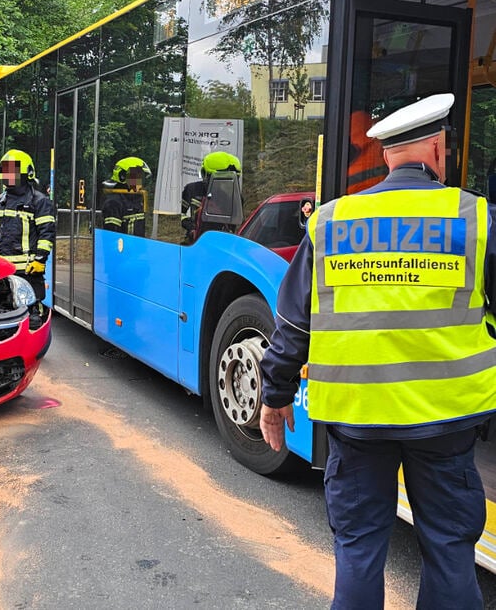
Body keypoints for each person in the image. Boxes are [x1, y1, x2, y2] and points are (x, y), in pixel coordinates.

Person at [259, 93, 496, 609]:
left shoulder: (329, 222)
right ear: (438, 148)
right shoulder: (477, 219)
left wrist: (274, 396)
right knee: (450, 553)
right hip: (446, 421)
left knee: (359, 550)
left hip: (356, 419)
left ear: (387, 155)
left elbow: (294, 325)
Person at [0, 150, 56, 326]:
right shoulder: (0, 201)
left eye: (13, 172)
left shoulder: (39, 201)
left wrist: (40, 260)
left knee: (31, 318)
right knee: (4, 313)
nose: (8, 176)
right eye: (5, 171)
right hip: (4, 269)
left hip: (29, 270)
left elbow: (47, 234)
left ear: (27, 174)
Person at [181, 151, 241, 242]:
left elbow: (236, 224)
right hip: (195, 241)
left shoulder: (233, 198)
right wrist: (191, 227)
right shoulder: (192, 189)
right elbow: (179, 213)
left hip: (222, 242)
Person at [101, 157, 150, 237]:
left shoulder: (136, 200)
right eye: (136, 178)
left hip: (136, 248)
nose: (140, 183)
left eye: (140, 178)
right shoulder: (114, 203)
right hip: (124, 249)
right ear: (122, 177)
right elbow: (112, 237)